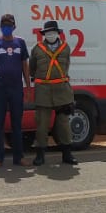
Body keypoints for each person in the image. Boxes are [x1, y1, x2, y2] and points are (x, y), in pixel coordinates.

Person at [0, 13, 31, 168]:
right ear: (0, 27)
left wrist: (28, 87)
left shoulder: (21, 43)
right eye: (3, 25)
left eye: (9, 25)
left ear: (14, 26)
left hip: (16, 88)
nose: (6, 28)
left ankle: (19, 157)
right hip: (0, 88)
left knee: (17, 124)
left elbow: (25, 65)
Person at [29, 19, 78, 166]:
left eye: (53, 32)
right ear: (44, 34)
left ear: (58, 33)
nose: (50, 35)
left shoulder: (66, 48)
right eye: (48, 32)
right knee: (42, 124)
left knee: (63, 124)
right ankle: (40, 155)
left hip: (62, 91)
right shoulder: (37, 49)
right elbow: (32, 68)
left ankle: (67, 154)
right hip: (43, 91)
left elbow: (67, 65)